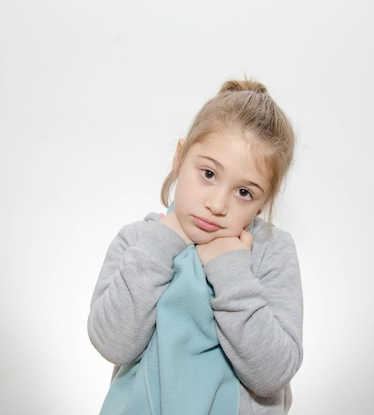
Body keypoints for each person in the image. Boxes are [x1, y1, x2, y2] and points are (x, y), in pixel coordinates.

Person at [88, 79, 303, 415]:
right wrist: (163, 242)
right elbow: (112, 342)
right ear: (179, 157)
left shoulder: (270, 251)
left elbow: (272, 373)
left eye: (244, 192)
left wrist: (231, 270)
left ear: (262, 204)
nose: (217, 204)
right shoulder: (138, 240)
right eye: (208, 173)